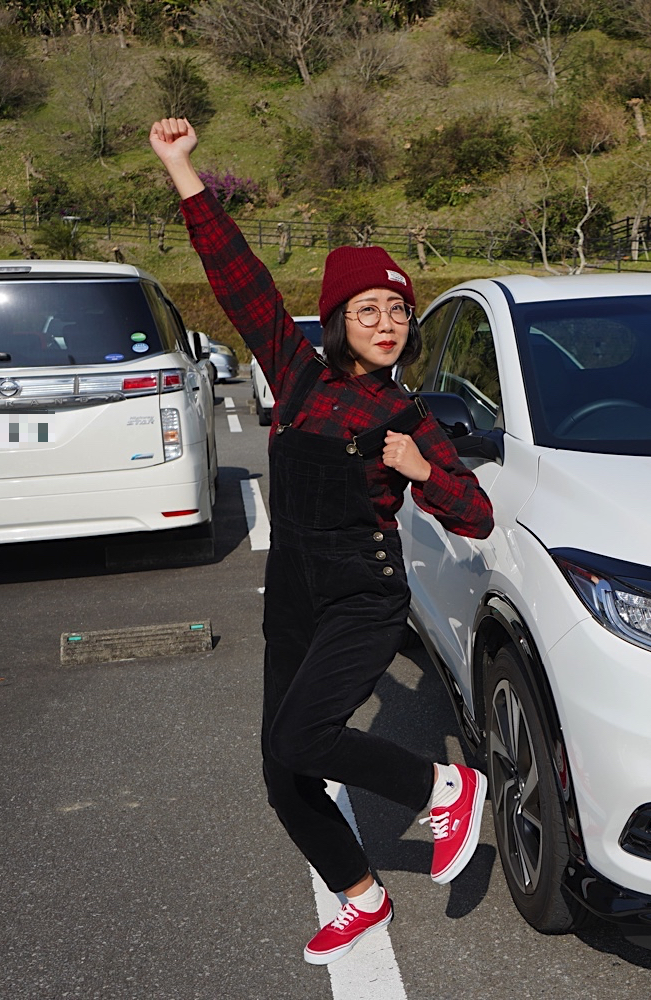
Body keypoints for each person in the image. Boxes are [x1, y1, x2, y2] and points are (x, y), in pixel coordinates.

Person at [149, 117, 495, 966]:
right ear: (335, 320)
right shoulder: (297, 371)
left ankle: (447, 789)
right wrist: (181, 169)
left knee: (304, 739)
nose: (387, 322)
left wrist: (422, 469)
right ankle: (361, 895)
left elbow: (476, 515)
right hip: (297, 593)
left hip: (364, 596)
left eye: (399, 311)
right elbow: (240, 282)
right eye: (368, 309)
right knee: (282, 768)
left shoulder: (408, 417)